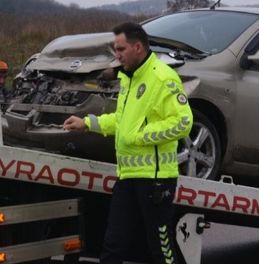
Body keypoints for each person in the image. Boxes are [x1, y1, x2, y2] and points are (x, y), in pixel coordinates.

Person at [64, 22, 192, 264]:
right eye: (115, 49)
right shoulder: (129, 79)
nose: (117, 55)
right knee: (113, 244)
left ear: (138, 47)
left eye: (121, 49)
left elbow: (182, 122)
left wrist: (140, 135)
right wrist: (87, 123)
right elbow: (123, 121)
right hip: (128, 177)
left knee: (160, 249)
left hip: (156, 181)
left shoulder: (162, 77)